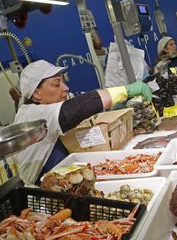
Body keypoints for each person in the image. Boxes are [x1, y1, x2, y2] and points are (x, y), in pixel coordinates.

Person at [14, 60, 152, 185]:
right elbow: (78, 108)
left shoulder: (42, 107)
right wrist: (124, 91)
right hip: (46, 189)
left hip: (65, 179)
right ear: (36, 94)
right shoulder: (32, 114)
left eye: (63, 82)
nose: (65, 88)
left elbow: (83, 103)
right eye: (56, 84)